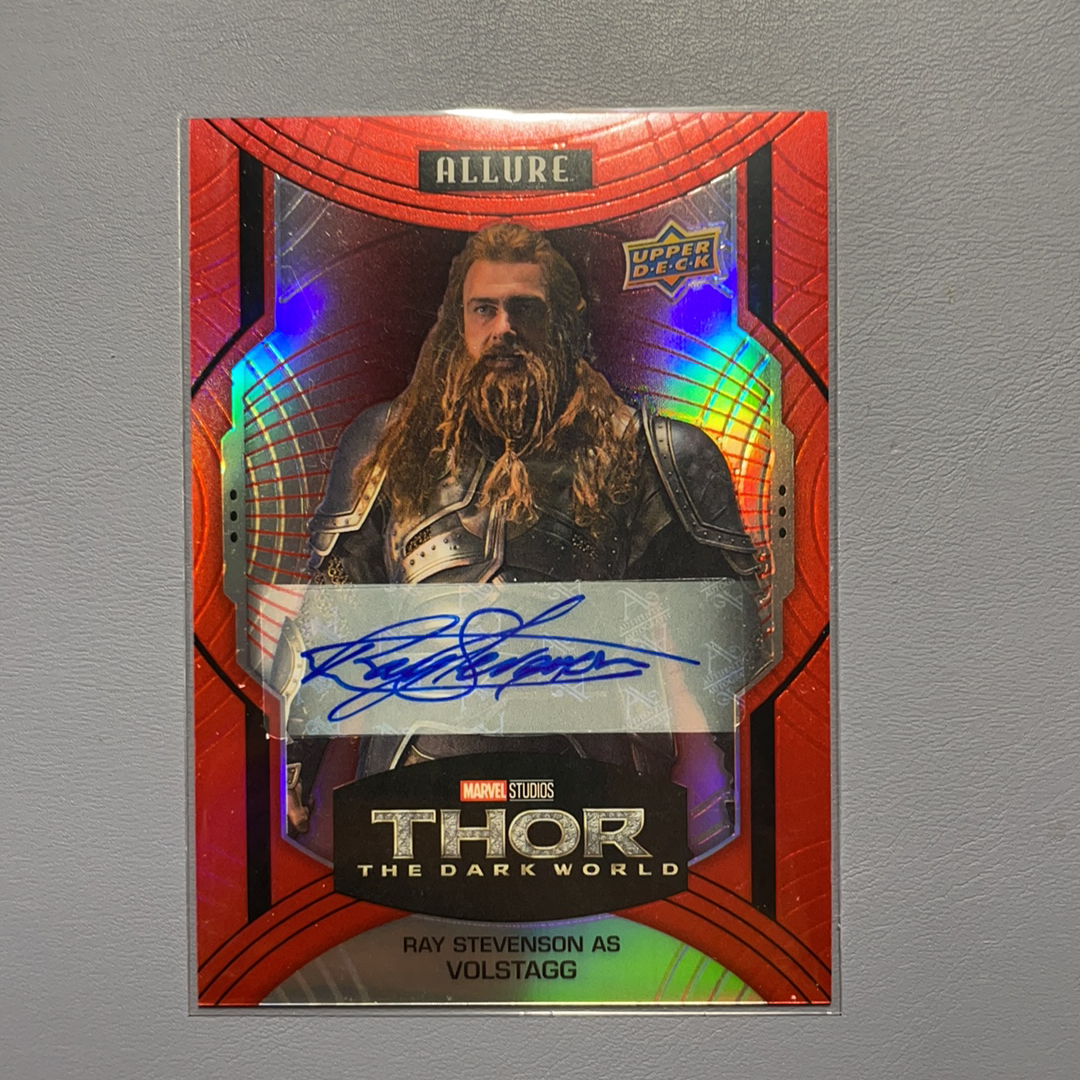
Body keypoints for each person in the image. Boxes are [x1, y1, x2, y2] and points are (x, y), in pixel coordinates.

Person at [272, 222, 765, 841]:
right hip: (412, 793)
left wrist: (749, 782)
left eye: (525, 309)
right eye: (484, 308)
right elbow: (331, 619)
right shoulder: (387, 448)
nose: (504, 327)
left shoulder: (652, 455)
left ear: (562, 323)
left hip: (596, 797)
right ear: (457, 324)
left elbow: (723, 640)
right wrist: (290, 767)